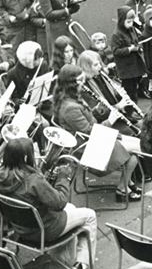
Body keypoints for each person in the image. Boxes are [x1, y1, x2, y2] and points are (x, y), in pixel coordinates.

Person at [0, 137, 97, 269]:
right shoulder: (33, 180)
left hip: (20, 228)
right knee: (90, 216)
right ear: (26, 156)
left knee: (71, 209)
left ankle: (62, 261)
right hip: (44, 230)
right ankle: (82, 265)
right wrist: (63, 178)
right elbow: (59, 203)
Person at [52, 64, 141, 202]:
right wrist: (110, 120)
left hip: (95, 137)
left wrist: (99, 111)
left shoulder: (72, 98)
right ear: (71, 84)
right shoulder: (69, 107)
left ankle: (127, 182)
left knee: (136, 145)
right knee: (137, 150)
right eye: (80, 81)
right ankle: (122, 188)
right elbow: (89, 132)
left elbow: (87, 122)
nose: (83, 83)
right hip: (87, 147)